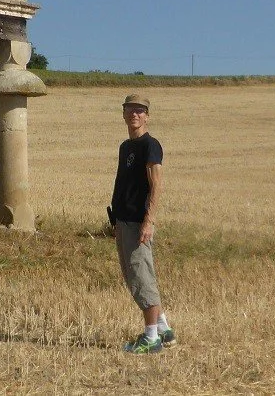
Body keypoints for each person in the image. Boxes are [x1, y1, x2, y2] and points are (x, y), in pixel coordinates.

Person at [109, 93, 176, 354]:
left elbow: (156, 186)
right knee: (133, 275)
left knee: (141, 277)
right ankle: (163, 328)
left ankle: (151, 339)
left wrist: (149, 221)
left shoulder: (151, 145)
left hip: (139, 222)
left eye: (140, 110)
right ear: (123, 113)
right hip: (124, 221)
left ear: (147, 116)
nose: (134, 114)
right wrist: (115, 219)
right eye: (130, 109)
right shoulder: (126, 147)